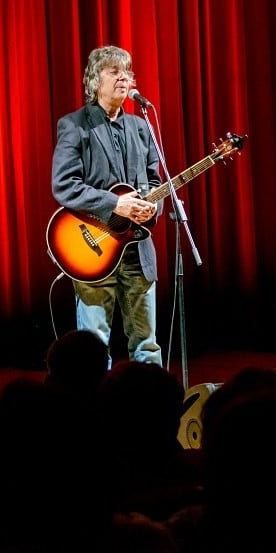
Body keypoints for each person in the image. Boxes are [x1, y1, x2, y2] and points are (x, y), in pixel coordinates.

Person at [51, 45, 163, 366]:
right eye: (114, 72)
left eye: (127, 72)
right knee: (94, 350)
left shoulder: (142, 126)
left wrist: (150, 206)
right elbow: (64, 185)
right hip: (93, 248)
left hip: (137, 249)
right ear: (93, 80)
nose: (123, 78)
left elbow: (154, 181)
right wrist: (115, 203)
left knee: (148, 347)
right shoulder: (74, 125)